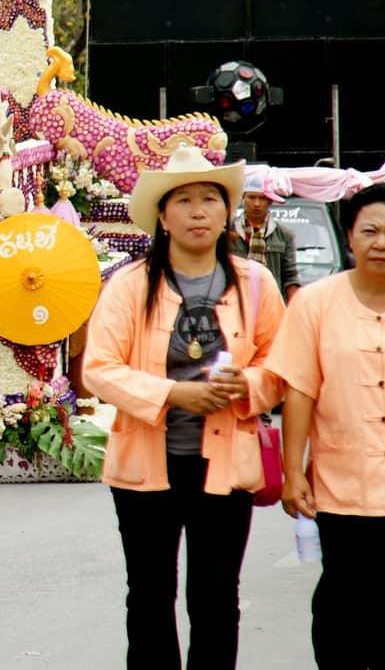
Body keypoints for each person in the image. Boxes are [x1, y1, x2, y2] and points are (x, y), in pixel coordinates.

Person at [83, 147, 286, 670]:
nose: (198, 211)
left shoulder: (257, 284)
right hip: (147, 469)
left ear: (226, 214)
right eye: (185, 201)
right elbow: (99, 369)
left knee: (217, 598)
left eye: (210, 200)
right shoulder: (129, 285)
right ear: (163, 216)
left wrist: (249, 384)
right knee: (149, 596)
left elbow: (281, 365)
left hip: (226, 466)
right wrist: (173, 394)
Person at [265, 183, 385, 670]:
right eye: (370, 231)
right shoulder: (315, 304)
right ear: (350, 237)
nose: (382, 242)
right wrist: (292, 472)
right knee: (342, 601)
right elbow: (299, 388)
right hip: (342, 481)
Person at [229, 175, 301, 302]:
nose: (257, 204)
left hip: (270, 301)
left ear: (270, 201)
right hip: (236, 301)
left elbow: (290, 278)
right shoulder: (229, 230)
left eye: (262, 198)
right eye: (251, 197)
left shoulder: (284, 235)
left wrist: (294, 311)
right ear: (243, 198)